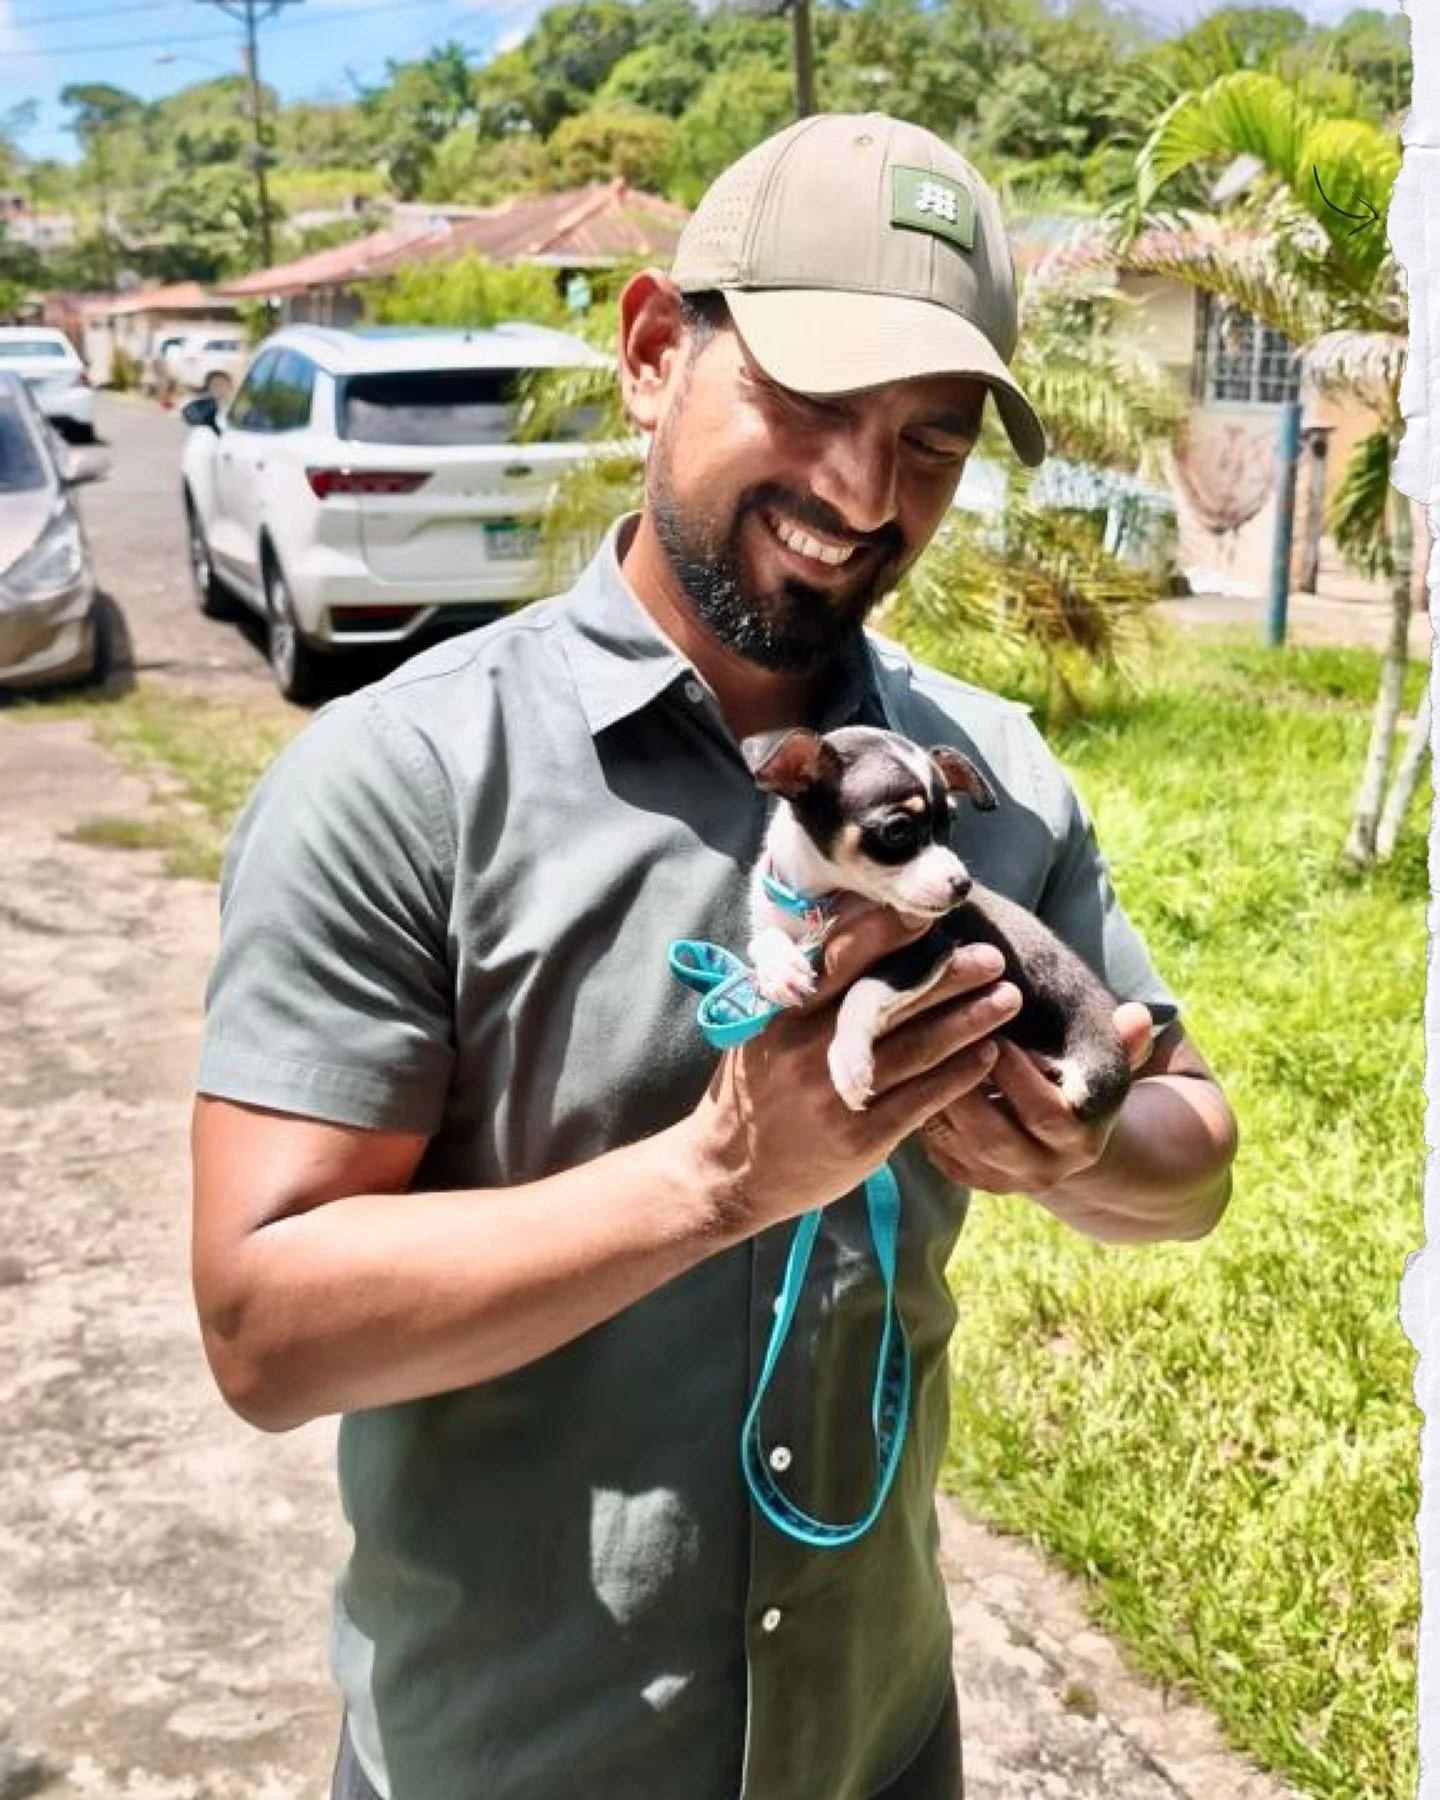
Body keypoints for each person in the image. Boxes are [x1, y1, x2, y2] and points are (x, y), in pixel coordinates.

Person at [190, 113, 1237, 1800]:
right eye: (812, 402)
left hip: (882, 1738)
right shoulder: (405, 783)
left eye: (931, 442)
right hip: (515, 1761)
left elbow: (1195, 1156)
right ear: (651, 347)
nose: (860, 492)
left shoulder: (990, 788)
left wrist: (1084, 1143)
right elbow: (264, 1330)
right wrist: (717, 1180)